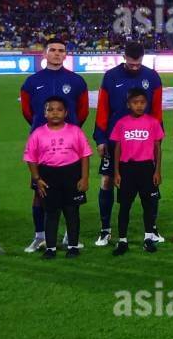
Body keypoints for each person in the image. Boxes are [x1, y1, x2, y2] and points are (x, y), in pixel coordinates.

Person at [20, 36, 91, 251]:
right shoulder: (32, 82)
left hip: (70, 146)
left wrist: (71, 130)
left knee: (72, 193)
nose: (57, 54)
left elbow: (82, 111)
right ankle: (40, 236)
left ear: (66, 54)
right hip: (43, 146)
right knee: (39, 192)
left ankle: (70, 236)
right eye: (53, 50)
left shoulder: (77, 81)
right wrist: (41, 128)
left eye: (61, 50)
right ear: (45, 53)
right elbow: (27, 111)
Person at [93, 43, 163, 248]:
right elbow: (103, 109)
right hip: (115, 139)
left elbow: (157, 110)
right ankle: (105, 229)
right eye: (131, 64)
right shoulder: (111, 77)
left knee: (151, 183)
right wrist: (100, 139)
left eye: (138, 64)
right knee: (107, 181)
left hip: (143, 139)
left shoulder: (152, 77)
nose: (134, 67)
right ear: (124, 57)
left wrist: (157, 137)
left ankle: (152, 228)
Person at [24, 97, 93, 259]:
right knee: (51, 212)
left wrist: (84, 178)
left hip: (71, 174)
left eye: (59, 110)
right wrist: (37, 179)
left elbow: (85, 155)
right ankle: (51, 248)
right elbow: (30, 158)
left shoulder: (75, 131)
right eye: (50, 110)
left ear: (66, 112)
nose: (55, 113)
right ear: (44, 113)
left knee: (72, 211)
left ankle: (73, 246)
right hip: (48, 176)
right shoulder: (38, 133)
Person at [108, 87, 164, 254]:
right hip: (127, 168)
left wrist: (157, 170)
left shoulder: (153, 122)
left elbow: (157, 148)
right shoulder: (122, 123)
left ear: (146, 104)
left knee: (149, 205)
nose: (139, 105)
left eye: (142, 102)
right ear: (128, 104)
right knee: (125, 206)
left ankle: (148, 238)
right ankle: (122, 240)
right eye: (135, 102)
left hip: (147, 168)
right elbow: (117, 148)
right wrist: (116, 172)